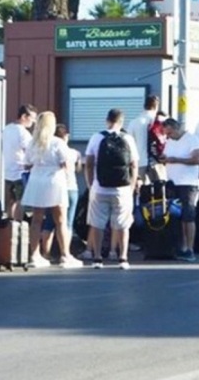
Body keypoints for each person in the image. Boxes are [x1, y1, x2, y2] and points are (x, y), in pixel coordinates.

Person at [21, 112, 81, 269]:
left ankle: (35, 255)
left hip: (36, 180)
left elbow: (26, 164)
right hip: (55, 180)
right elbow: (66, 163)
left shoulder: (32, 143)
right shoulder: (57, 143)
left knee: (36, 219)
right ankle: (65, 255)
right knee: (60, 220)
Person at [84, 109, 139, 270]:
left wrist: (90, 183)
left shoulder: (97, 137)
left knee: (97, 223)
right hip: (122, 188)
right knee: (122, 224)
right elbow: (134, 165)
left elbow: (88, 163)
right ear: (121, 122)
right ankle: (123, 258)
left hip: (99, 188)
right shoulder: (128, 138)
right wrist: (131, 185)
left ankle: (97, 257)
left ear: (107, 120)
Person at [160, 118, 199, 262]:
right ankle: (180, 246)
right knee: (176, 216)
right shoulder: (170, 142)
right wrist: (164, 158)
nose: (168, 136)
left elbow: (197, 160)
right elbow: (167, 155)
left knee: (188, 215)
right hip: (173, 182)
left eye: (170, 132)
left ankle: (190, 248)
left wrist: (176, 160)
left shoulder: (192, 139)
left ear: (175, 128)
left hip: (188, 182)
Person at [41, 124, 81, 259]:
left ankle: (45, 253)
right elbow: (78, 169)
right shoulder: (74, 153)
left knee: (49, 223)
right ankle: (65, 253)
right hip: (70, 188)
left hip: (52, 188)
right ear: (66, 136)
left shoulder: (47, 150)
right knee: (67, 223)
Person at [2, 104, 36, 221]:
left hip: (6, 171)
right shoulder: (23, 133)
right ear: (23, 116)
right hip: (20, 171)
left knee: (10, 200)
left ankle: (9, 224)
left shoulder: (6, 129)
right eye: (31, 118)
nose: (33, 122)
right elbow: (31, 151)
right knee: (20, 200)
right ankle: (18, 224)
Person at [127, 95, 161, 184]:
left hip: (139, 161)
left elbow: (128, 143)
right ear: (156, 106)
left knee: (139, 189)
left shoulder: (134, 122)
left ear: (144, 106)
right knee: (159, 190)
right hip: (156, 161)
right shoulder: (158, 121)